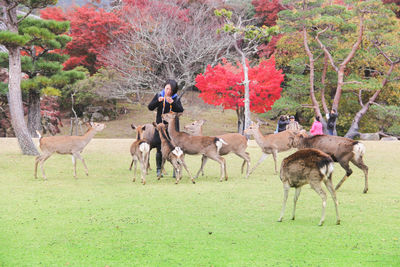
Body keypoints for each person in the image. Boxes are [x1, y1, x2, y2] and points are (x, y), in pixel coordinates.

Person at [148, 79, 184, 177]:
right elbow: (150, 107)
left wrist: (172, 103)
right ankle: (159, 169)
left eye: (170, 90)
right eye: (167, 88)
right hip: (160, 127)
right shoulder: (159, 95)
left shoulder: (176, 98)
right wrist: (157, 101)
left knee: (175, 148)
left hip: (172, 128)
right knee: (159, 147)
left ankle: (175, 170)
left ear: (173, 91)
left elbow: (180, 110)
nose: (168, 91)